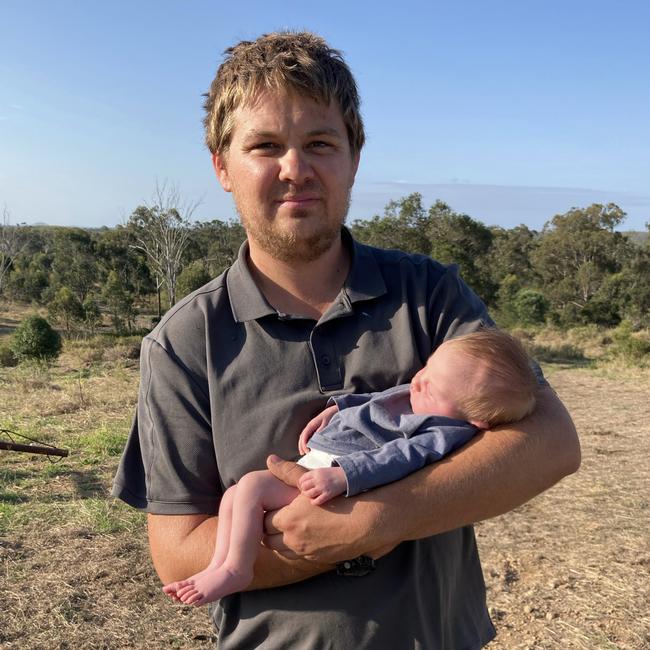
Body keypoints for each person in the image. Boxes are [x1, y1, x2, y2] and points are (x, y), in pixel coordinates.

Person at [112, 31, 580, 648]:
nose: (295, 169)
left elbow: (550, 442)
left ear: (354, 156)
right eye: (265, 146)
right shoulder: (183, 344)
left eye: (320, 143)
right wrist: (318, 543)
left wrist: (375, 519)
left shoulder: (429, 295)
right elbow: (179, 557)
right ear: (222, 167)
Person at [162, 329, 538, 607]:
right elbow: (382, 399)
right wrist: (340, 409)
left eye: (432, 387)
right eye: (426, 370)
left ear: (477, 422)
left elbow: (398, 460)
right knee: (234, 494)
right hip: (323, 460)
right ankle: (221, 563)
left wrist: (345, 476)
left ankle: (236, 568)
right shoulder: (428, 395)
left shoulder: (443, 431)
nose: (418, 382)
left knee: (251, 488)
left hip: (334, 474)